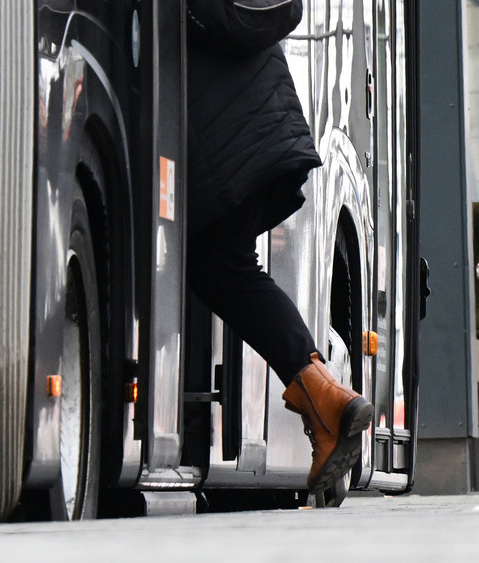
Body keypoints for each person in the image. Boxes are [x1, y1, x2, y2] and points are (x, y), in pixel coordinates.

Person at [183, 2, 373, 495]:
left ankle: (326, 402)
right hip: (261, 125)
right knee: (228, 270)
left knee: (224, 270)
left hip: (224, 137)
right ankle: (325, 399)